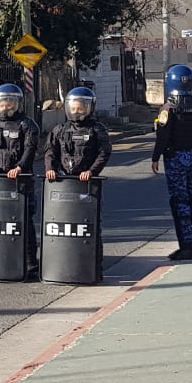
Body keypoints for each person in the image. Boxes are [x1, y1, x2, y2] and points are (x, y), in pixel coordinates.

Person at [0, 83, 41, 276]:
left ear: (18, 103)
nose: (6, 106)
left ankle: (30, 263)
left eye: (10, 102)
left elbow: (30, 149)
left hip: (21, 182)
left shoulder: (27, 125)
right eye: (3, 102)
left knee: (24, 221)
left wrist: (20, 167)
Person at [44, 86, 112, 274]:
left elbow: (104, 152)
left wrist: (92, 171)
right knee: (64, 225)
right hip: (65, 183)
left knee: (88, 226)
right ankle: (64, 264)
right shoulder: (59, 130)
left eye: (81, 108)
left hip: (87, 184)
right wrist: (51, 170)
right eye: (73, 108)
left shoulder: (97, 130)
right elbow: (50, 151)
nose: (77, 112)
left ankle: (93, 267)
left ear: (90, 108)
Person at [150, 65, 192, 260]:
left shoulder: (169, 107)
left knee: (180, 200)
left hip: (175, 158)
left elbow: (163, 136)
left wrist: (155, 157)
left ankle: (186, 246)